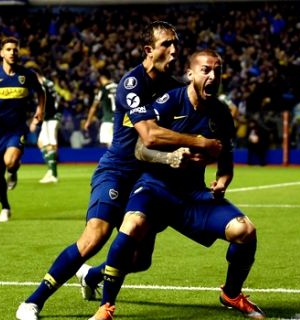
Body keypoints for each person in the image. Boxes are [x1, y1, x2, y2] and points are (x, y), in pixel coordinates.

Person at [16, 21, 222, 320]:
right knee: (94, 237)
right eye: (167, 44)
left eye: (176, 44)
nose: (175, 50)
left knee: (139, 260)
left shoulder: (177, 90)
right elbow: (150, 136)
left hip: (149, 180)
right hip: (117, 171)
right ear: (149, 50)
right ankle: (33, 301)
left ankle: (91, 276)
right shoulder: (132, 83)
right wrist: (200, 141)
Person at [89, 49, 265, 320]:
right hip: (154, 188)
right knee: (132, 228)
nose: (213, 76)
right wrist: (170, 157)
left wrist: (222, 182)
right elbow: (141, 148)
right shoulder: (169, 101)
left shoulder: (221, 114)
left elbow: (225, 163)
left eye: (217, 70)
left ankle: (231, 293)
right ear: (190, 74)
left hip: (192, 196)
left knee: (245, 231)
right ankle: (106, 307)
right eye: (206, 70)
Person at [0, 37, 45, 222]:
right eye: (9, 49)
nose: (12, 52)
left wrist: (40, 110)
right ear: (1, 53)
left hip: (17, 128)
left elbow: (41, 92)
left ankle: (12, 171)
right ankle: (5, 206)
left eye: (15, 49)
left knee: (10, 161)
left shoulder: (26, 74)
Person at [27, 63, 61, 184]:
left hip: (50, 117)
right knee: (41, 143)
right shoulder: (49, 83)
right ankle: (50, 171)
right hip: (51, 116)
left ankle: (54, 174)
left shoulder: (42, 85)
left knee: (50, 144)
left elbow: (41, 105)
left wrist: (34, 121)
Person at [84, 69, 118, 148]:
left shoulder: (103, 89)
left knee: (110, 143)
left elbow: (94, 107)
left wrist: (88, 121)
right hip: (121, 119)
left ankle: (116, 159)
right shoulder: (119, 86)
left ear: (102, 78)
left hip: (108, 119)